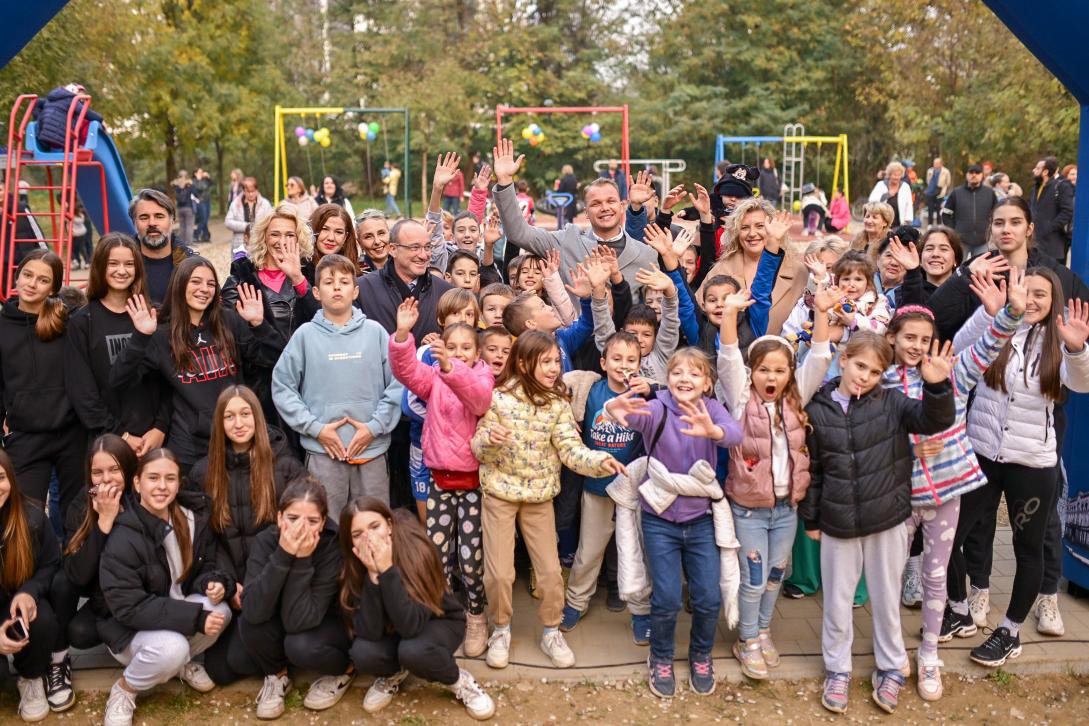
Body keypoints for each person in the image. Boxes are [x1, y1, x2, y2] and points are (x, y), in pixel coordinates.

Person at [880, 285, 1023, 700]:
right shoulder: (882, 379)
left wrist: (1011, 312)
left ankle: (928, 653)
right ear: (892, 337)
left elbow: (989, 343)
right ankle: (891, 656)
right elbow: (867, 430)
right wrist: (906, 446)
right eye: (908, 337)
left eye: (924, 339)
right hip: (898, 497)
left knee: (936, 576)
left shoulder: (953, 372)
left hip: (945, 493)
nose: (916, 346)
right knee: (889, 576)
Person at [801, 332, 955, 715]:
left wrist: (937, 386)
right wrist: (812, 518)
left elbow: (934, 421)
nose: (864, 376)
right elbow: (815, 469)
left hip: (886, 518)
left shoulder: (892, 402)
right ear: (844, 358)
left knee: (886, 597)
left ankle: (890, 667)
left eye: (875, 371)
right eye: (859, 366)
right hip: (838, 521)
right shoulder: (818, 407)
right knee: (837, 600)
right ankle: (837, 669)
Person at [947, 270, 1089, 668]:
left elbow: (1080, 384)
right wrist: (993, 317)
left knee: (1027, 549)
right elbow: (957, 350)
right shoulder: (999, 327)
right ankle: (958, 608)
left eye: (1041, 294)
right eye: (1026, 292)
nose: (1032, 300)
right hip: (981, 454)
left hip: (1032, 462)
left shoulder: (1060, 339)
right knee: (950, 538)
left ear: (1053, 300)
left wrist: (1078, 350)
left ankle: (1009, 631)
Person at [471, 332, 626, 670]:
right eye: (547, 362)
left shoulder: (558, 404)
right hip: (500, 494)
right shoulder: (498, 398)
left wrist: (599, 462)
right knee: (499, 574)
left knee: (552, 574)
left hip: (539, 497)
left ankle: (551, 631)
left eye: (557, 361)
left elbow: (571, 449)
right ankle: (500, 629)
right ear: (524, 363)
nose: (555, 368)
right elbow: (479, 447)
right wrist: (491, 441)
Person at [604, 348, 743, 698]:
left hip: (700, 520)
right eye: (678, 372)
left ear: (707, 383)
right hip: (659, 519)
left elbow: (735, 434)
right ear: (667, 380)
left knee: (709, 597)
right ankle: (661, 657)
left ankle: (700, 655)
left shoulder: (712, 409)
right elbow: (629, 417)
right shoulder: (657, 407)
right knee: (666, 599)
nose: (685, 379)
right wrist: (613, 409)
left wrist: (713, 431)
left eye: (695, 373)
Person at [718, 281, 837, 681]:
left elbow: (819, 357)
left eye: (780, 369)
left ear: (790, 373)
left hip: (787, 509)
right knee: (753, 579)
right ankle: (746, 638)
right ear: (752, 373)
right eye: (764, 369)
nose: (772, 376)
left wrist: (821, 313)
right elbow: (729, 357)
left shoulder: (795, 397)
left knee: (775, 575)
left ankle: (763, 630)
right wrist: (731, 313)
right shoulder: (738, 399)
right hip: (748, 510)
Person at [109, 257, 285, 474]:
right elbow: (118, 379)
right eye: (196, 282)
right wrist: (140, 337)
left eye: (210, 284)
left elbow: (275, 361)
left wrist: (259, 325)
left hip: (235, 438)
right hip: (190, 449)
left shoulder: (229, 321)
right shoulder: (162, 335)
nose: (204, 289)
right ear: (179, 283)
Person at [99, 448, 234, 726]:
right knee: (171, 648)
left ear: (179, 482)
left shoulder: (190, 517)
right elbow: (129, 607)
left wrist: (214, 583)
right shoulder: (124, 534)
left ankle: (179, 663)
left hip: (172, 615)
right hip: (130, 630)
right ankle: (125, 689)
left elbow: (203, 567)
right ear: (137, 483)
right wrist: (196, 617)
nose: (162, 486)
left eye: (170, 478)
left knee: (220, 609)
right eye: (153, 478)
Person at [390, 299, 494, 657]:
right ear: (441, 349)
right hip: (439, 479)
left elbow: (479, 401)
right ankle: (444, 615)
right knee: (437, 553)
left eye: (466, 348)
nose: (459, 353)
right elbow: (406, 373)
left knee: (472, 555)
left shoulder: (482, 376)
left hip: (473, 483)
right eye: (451, 348)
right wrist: (403, 335)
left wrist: (452, 367)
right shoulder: (434, 378)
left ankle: (476, 615)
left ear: (478, 351)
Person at [272, 254, 404, 515]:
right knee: (328, 526)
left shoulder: (375, 332)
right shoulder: (305, 336)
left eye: (344, 282)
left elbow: (397, 385)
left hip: (371, 449)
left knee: (372, 521)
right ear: (316, 292)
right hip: (323, 452)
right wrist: (315, 428)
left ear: (355, 291)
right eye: (329, 282)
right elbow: (282, 386)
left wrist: (375, 426)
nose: (336, 287)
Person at [341, 498, 495, 719]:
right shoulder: (354, 560)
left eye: (375, 527)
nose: (369, 538)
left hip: (437, 621)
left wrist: (386, 569)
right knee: (363, 652)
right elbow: (369, 632)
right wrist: (373, 577)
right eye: (358, 534)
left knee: (413, 651)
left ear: (390, 525)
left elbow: (411, 626)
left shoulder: (414, 547)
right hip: (393, 627)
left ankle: (459, 681)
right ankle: (395, 674)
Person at [231, 478, 354, 717]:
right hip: (281, 615)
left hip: (324, 622)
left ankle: (345, 670)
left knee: (299, 646)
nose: (301, 528)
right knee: (239, 656)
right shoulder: (266, 540)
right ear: (279, 518)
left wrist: (302, 559)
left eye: (312, 521)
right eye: (293, 518)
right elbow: (253, 609)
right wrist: (284, 554)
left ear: (323, 522)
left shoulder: (332, 545)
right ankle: (278, 676)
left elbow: (300, 621)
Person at [559, 332, 653, 641]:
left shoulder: (646, 397)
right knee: (589, 552)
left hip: (632, 491)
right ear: (603, 363)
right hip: (595, 488)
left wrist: (653, 390)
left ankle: (641, 611)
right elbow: (559, 395)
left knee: (636, 553)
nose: (623, 366)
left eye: (631, 360)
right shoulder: (590, 393)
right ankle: (575, 601)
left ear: (640, 365)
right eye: (616, 359)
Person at [493, 139, 659, 295]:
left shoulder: (646, 255)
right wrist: (506, 182)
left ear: (622, 206)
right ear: (586, 212)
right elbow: (518, 233)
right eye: (596, 204)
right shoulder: (566, 241)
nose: (604, 208)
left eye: (611, 201)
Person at [186, 385, 306, 590]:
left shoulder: (287, 467)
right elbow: (206, 542)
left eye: (245, 414)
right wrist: (226, 584)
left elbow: (299, 529)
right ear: (219, 423)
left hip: (275, 580)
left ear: (257, 417)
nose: (238, 423)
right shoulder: (202, 473)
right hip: (226, 585)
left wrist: (264, 584)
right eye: (229, 417)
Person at [51, 434, 138, 712]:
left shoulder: (142, 496)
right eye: (97, 472)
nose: (106, 479)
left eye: (114, 469)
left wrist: (120, 517)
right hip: (99, 591)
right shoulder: (80, 504)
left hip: (136, 593)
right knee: (64, 590)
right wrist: (104, 522)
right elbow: (77, 576)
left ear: (128, 468)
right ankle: (57, 662)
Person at [0, 250, 87, 516]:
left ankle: (70, 559)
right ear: (17, 277)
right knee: (27, 519)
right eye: (27, 275)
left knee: (77, 514)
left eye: (42, 279)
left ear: (53, 288)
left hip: (71, 434)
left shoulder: (66, 324)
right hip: (25, 437)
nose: (31, 284)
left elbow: (82, 376)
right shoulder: (2, 326)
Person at [64, 233, 169, 453]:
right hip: (107, 442)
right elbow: (83, 393)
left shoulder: (153, 315)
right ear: (100, 266)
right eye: (113, 263)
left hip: (154, 438)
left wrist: (160, 427)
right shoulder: (82, 322)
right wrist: (121, 435)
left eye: (129, 264)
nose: (122, 271)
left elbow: (168, 379)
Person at [0, 450, 62, 722]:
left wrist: (29, 592)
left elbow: (52, 563)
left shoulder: (33, 515)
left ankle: (31, 676)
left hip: (15, 602)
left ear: (11, 478)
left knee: (44, 621)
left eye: (0, 477)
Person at [699, 197, 806, 335]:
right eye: (744, 228)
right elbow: (698, 315)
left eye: (760, 226)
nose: (752, 234)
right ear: (737, 233)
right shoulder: (720, 270)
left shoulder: (798, 272)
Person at [355, 219, 454, 340]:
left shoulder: (446, 292)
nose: (423, 255)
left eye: (427, 247)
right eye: (414, 247)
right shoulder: (363, 290)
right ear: (393, 249)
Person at [128, 188, 197, 305]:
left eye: (159, 216)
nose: (152, 223)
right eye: (144, 217)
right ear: (134, 222)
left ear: (172, 221)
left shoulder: (191, 265)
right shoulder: (120, 265)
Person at [940, 164, 997, 257]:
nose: (974, 175)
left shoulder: (990, 193)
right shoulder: (956, 193)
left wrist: (991, 231)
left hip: (983, 241)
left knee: (981, 269)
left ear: (982, 175)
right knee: (959, 268)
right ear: (966, 175)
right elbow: (946, 214)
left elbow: (997, 214)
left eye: (977, 173)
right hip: (961, 241)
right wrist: (953, 232)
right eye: (971, 173)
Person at [1029, 156, 1075, 262]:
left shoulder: (1061, 187)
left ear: (1045, 172)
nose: (1034, 170)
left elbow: (1067, 212)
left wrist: (1049, 227)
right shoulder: (1036, 188)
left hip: (1052, 246)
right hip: (1035, 244)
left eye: (1037, 168)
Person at [225, 177, 272, 255]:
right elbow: (228, 222)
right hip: (239, 245)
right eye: (248, 191)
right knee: (239, 266)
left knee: (258, 266)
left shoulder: (265, 204)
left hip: (259, 245)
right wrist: (246, 226)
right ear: (243, 191)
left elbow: (271, 221)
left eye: (253, 191)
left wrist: (260, 227)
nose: (251, 194)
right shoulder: (235, 204)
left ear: (257, 190)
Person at [868, 162, 913, 229]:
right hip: (882, 224)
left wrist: (908, 222)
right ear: (889, 175)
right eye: (894, 175)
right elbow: (872, 202)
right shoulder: (881, 185)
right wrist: (887, 195)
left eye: (899, 175)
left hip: (899, 224)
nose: (897, 177)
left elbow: (909, 205)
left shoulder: (905, 187)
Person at [924, 158, 952, 227]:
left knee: (939, 208)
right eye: (934, 163)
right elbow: (928, 180)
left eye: (936, 163)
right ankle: (930, 224)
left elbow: (948, 182)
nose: (935, 164)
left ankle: (939, 224)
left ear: (941, 164)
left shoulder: (946, 171)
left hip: (940, 191)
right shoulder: (930, 170)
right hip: (930, 191)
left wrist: (944, 189)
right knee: (930, 208)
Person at [172, 171, 196, 247]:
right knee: (189, 225)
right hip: (188, 207)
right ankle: (189, 242)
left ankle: (182, 242)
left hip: (180, 208)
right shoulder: (189, 185)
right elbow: (195, 193)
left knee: (182, 226)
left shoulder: (176, 186)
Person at [192, 168, 212, 243]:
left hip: (207, 201)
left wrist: (208, 177)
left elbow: (210, 184)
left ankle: (206, 236)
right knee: (203, 219)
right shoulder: (194, 181)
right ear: (195, 173)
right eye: (200, 172)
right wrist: (199, 179)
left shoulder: (204, 180)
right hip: (200, 202)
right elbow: (200, 188)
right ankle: (196, 235)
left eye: (202, 172)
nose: (202, 173)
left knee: (206, 219)